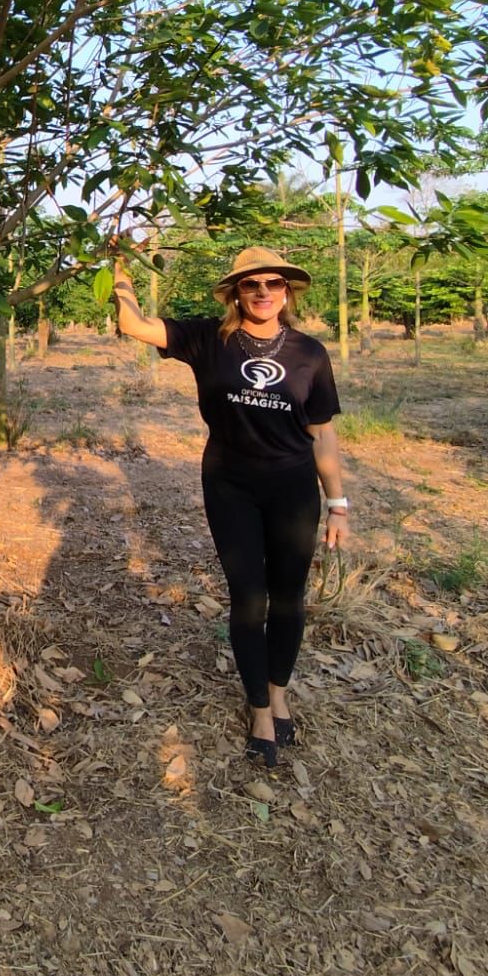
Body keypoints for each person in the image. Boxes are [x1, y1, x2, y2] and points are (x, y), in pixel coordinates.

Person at [110, 244, 348, 768]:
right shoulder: (208, 339)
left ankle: (279, 692)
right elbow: (134, 326)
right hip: (229, 486)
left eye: (273, 285)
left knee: (289, 597)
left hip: (292, 489)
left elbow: (323, 434)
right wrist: (121, 267)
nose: (263, 293)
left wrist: (338, 503)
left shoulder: (309, 353)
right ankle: (259, 709)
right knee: (249, 598)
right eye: (251, 285)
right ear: (234, 293)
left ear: (287, 292)